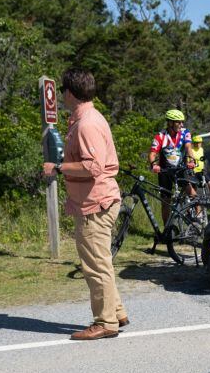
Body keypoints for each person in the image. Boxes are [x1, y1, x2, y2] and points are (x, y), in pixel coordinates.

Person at [42, 68, 128, 340]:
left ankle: (105, 323)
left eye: (63, 92)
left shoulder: (87, 123)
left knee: (95, 266)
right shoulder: (86, 118)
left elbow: (92, 167)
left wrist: (57, 167)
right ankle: (117, 312)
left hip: (95, 204)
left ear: (69, 92)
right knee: (101, 262)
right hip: (97, 201)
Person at [149, 109, 196, 224]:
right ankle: (166, 229)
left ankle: (196, 218)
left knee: (193, 194)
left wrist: (192, 161)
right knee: (166, 202)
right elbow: (152, 154)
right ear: (170, 123)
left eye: (182, 122)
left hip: (180, 169)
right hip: (165, 171)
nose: (181, 125)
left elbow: (188, 147)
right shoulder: (160, 136)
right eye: (178, 122)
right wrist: (154, 165)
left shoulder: (185, 132)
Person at [190, 133, 210, 201]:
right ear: (193, 143)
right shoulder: (191, 150)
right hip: (193, 173)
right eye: (196, 142)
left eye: (200, 142)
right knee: (194, 190)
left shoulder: (202, 149)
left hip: (202, 172)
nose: (198, 144)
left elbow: (204, 159)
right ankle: (193, 204)